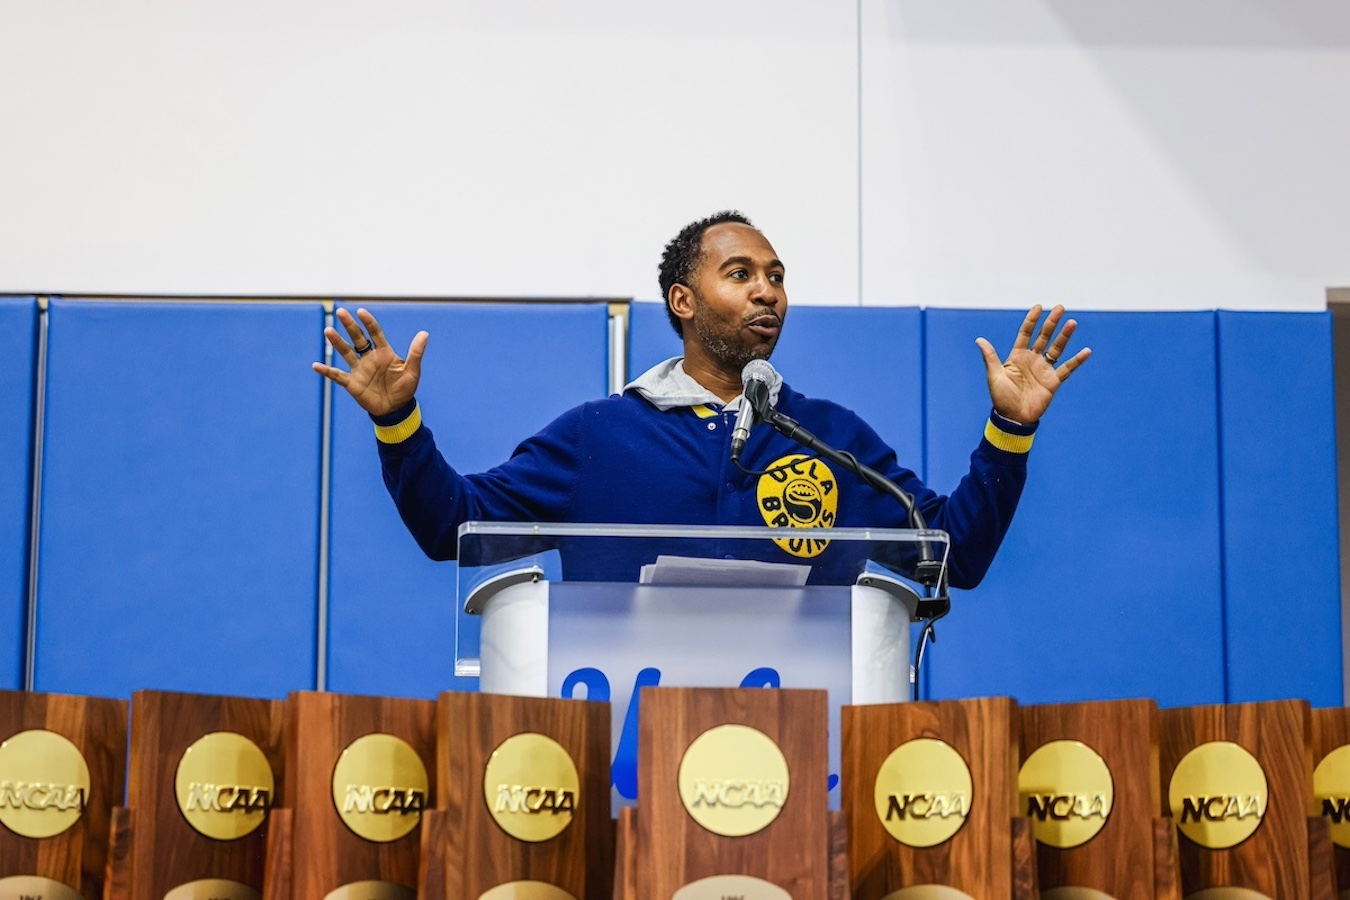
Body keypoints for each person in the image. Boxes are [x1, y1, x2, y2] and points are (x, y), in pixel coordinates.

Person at [313, 211, 1089, 588]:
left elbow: (957, 553)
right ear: (683, 301)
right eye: (742, 273)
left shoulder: (831, 438)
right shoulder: (599, 437)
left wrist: (1008, 430)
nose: (768, 293)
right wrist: (397, 423)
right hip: (628, 757)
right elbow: (454, 528)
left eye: (777, 276)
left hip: (805, 762)